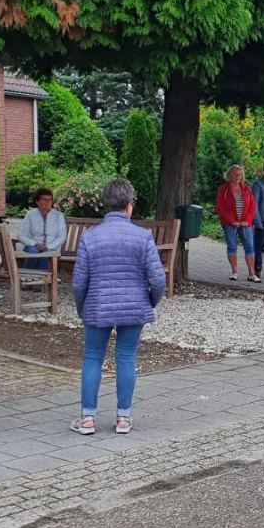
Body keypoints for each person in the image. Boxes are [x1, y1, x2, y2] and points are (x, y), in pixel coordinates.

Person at [70, 179, 167, 435]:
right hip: (134, 307)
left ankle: (87, 418)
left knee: (92, 357)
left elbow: (79, 282)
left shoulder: (89, 237)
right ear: (128, 206)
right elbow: (158, 279)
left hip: (97, 306)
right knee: (126, 357)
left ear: (105, 205)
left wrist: (82, 308)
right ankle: (123, 418)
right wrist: (149, 301)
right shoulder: (143, 236)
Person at [216, 164, 259, 282]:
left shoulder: (246, 189)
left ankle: (251, 274)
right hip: (230, 223)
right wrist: (231, 221)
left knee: (249, 247)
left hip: (245, 224)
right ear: (230, 175)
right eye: (235, 174)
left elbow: (252, 206)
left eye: (240, 175)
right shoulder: (223, 190)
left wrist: (248, 220)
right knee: (232, 246)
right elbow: (220, 208)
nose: (238, 177)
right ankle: (234, 271)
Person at [17, 187, 66, 270]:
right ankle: (28, 276)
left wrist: (48, 246)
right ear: (37, 201)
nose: (47, 202)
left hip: (51, 247)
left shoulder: (58, 216)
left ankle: (41, 278)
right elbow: (21, 235)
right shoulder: (30, 214)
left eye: (50, 200)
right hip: (32, 246)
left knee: (45, 254)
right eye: (44, 199)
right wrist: (34, 244)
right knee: (34, 251)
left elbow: (62, 236)